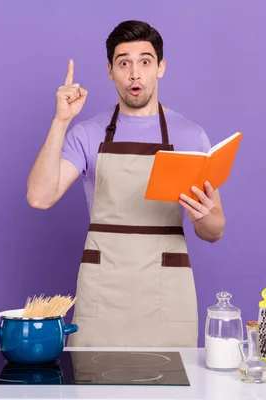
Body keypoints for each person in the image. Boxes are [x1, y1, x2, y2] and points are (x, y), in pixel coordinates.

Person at [26, 20, 225, 347]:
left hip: (166, 290)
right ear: (110, 71)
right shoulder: (87, 133)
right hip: (103, 289)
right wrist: (61, 122)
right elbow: (40, 197)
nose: (135, 74)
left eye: (145, 62)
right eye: (124, 63)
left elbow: (214, 230)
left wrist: (204, 216)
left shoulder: (191, 136)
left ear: (160, 67)